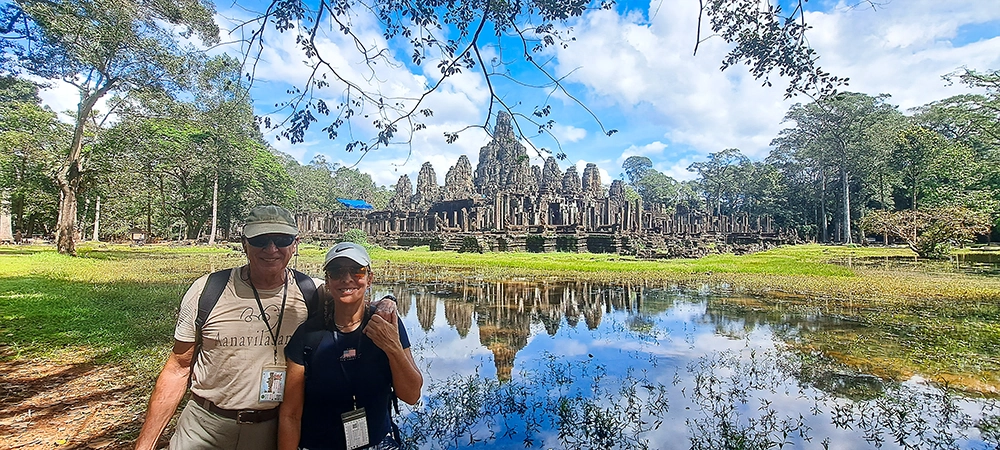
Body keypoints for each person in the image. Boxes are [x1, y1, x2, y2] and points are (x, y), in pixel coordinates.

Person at [135, 205, 317, 450]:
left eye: (281, 240)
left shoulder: (312, 292)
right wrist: (145, 445)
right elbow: (178, 368)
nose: (271, 249)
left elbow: (356, 300)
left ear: (294, 244)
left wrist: (388, 303)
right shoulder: (207, 290)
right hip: (204, 428)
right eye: (260, 240)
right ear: (244, 243)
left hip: (274, 431)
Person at [278, 242, 423, 450]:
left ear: (369, 278)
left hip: (377, 443)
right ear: (327, 281)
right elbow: (290, 415)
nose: (346, 279)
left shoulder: (386, 324)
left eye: (357, 271)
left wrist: (392, 347)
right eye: (336, 272)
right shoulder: (308, 335)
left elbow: (411, 395)